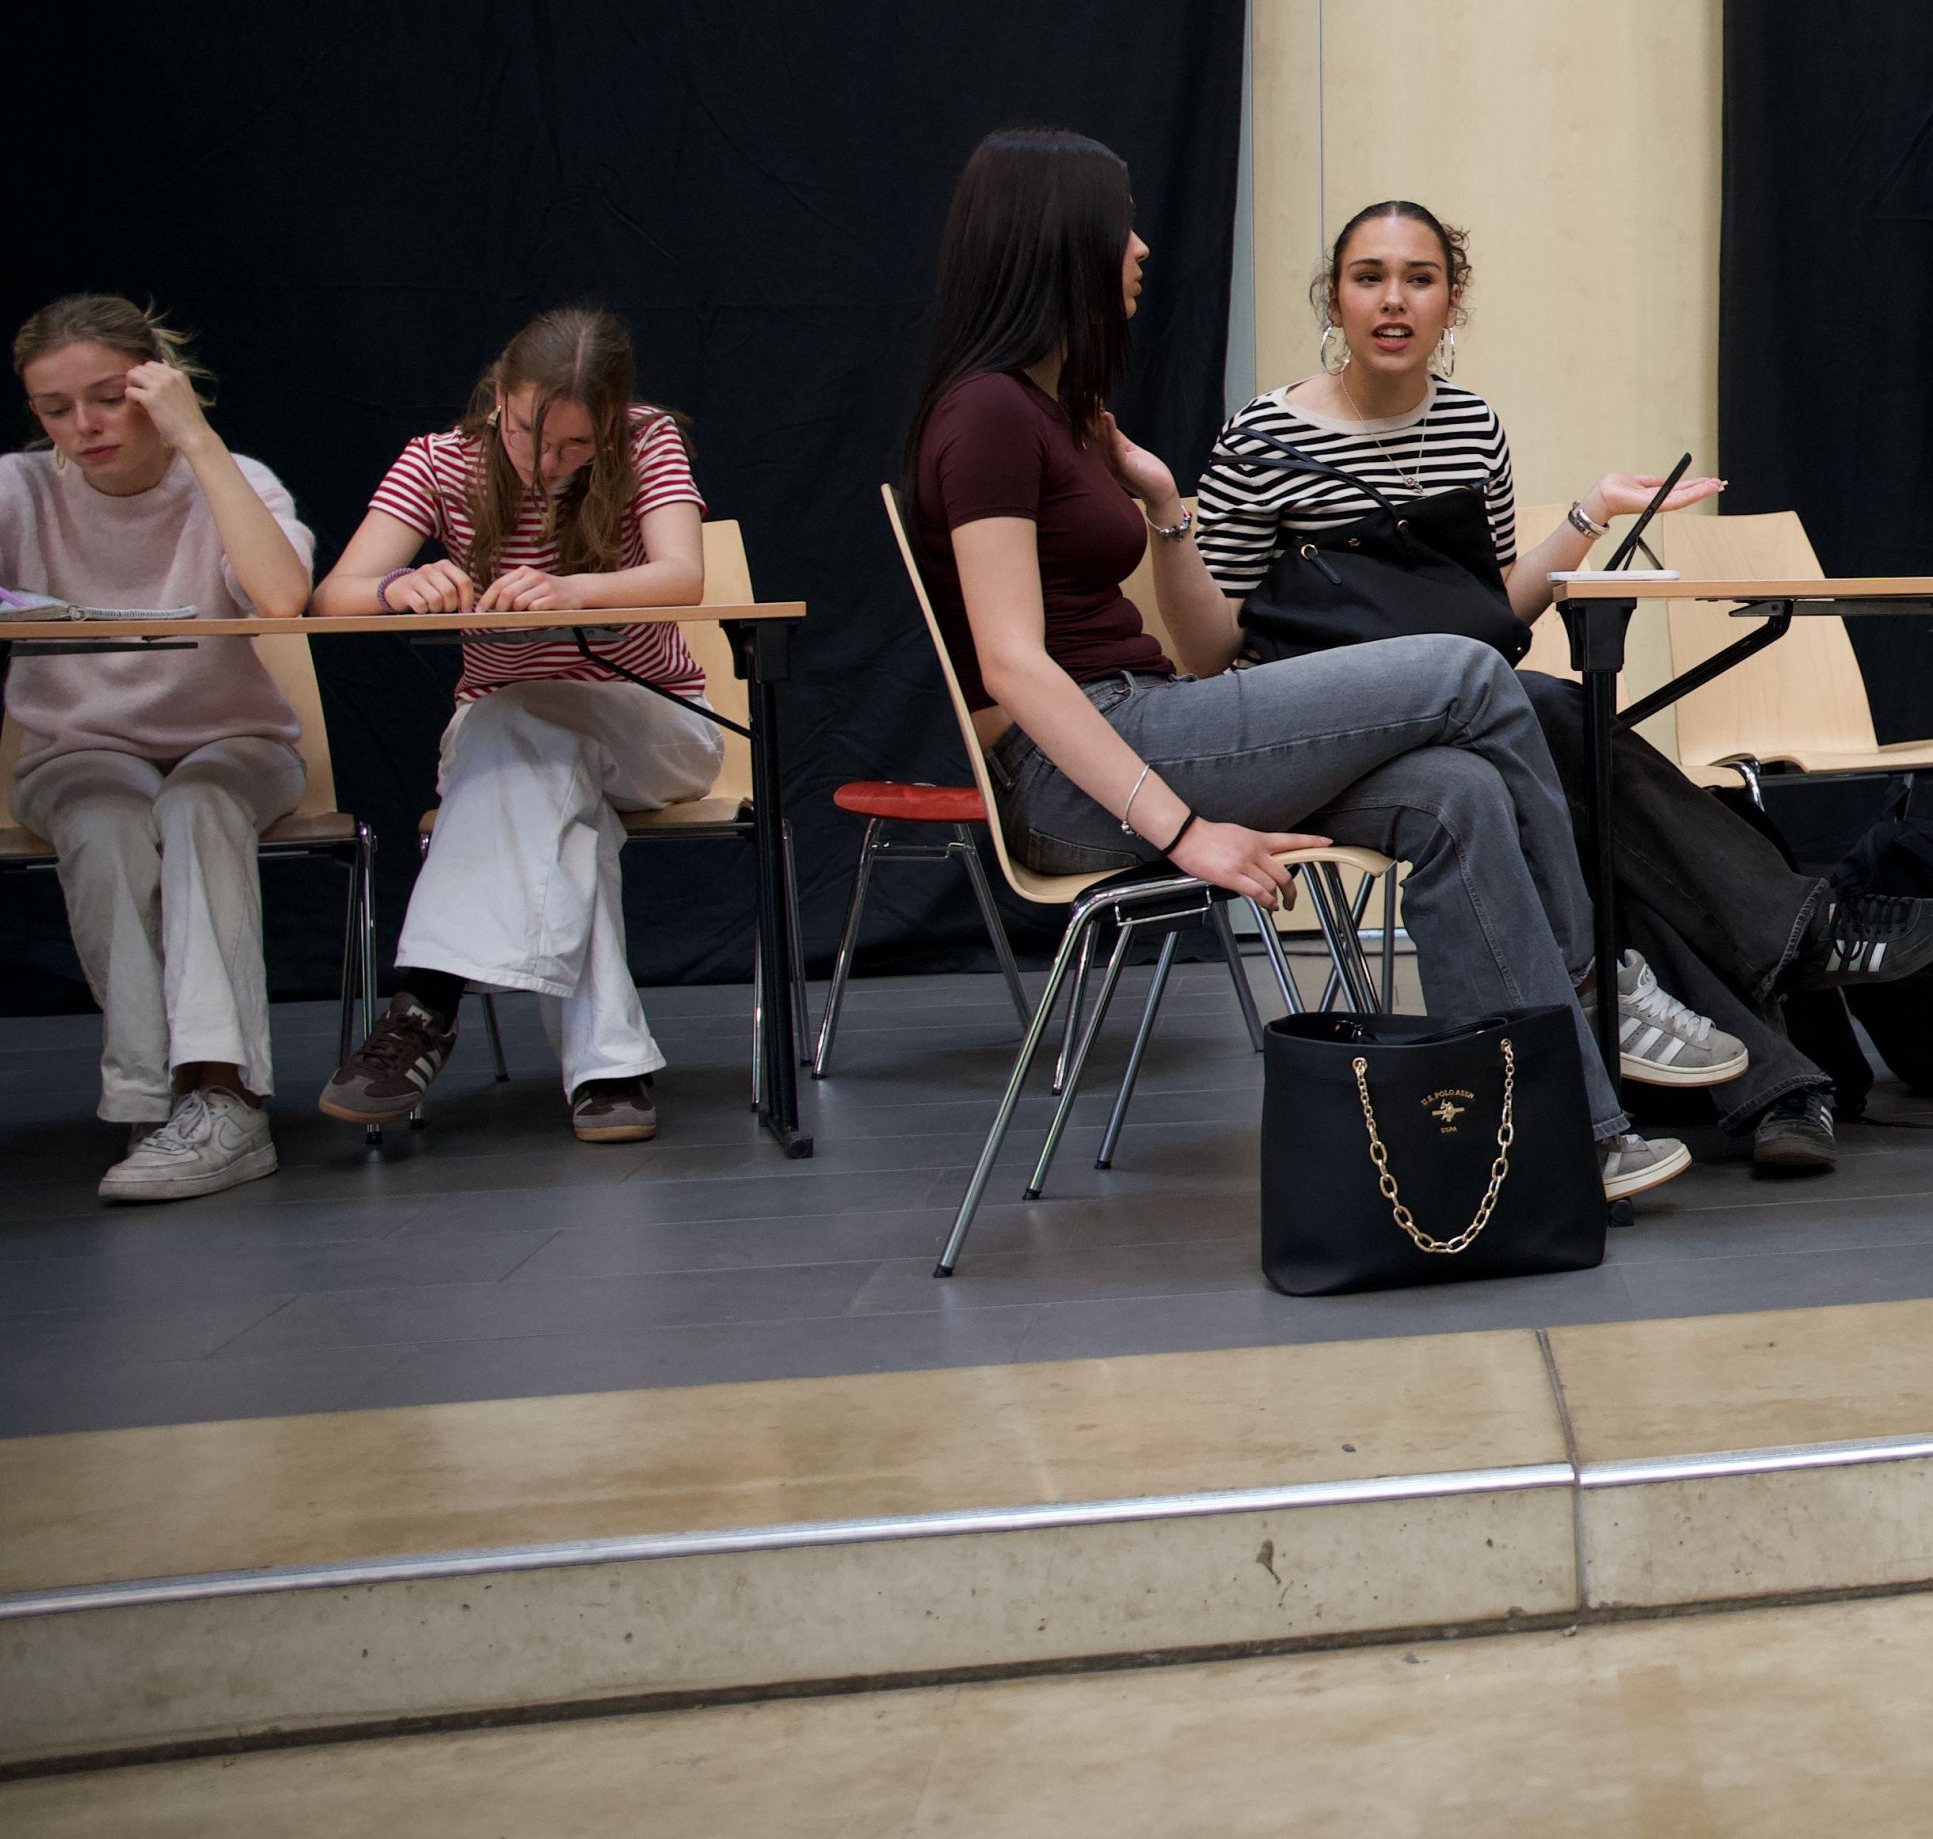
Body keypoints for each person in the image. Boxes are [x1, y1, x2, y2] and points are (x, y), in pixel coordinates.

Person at [908, 125, 1687, 1202]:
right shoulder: (987, 412)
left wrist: (1162, 499)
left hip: (1141, 723)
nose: (1139, 246)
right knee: (1468, 674)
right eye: (1119, 224)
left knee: (1455, 794)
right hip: (1077, 767)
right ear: (1057, 242)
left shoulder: (1049, 411)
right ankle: (1594, 981)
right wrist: (1184, 833)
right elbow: (1013, 665)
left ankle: (1559, 1137)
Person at [1195, 199, 1933, 1175]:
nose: (1392, 299)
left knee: (1588, 820)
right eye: (1368, 277)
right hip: (1320, 738)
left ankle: (1779, 1082)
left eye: (1418, 278)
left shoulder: (1469, 428)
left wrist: (1589, 514)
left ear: (1450, 302)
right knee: (1552, 713)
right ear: (1333, 298)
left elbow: (1487, 609)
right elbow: (1210, 645)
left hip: (1454, 724)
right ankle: (1803, 949)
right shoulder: (1262, 437)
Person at [312, 306, 720, 1144]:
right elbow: (332, 597)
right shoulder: (437, 461)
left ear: (610, 424)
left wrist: (572, 589)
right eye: (531, 433)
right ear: (500, 395)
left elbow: (682, 576)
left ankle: (425, 1001)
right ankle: (610, 1071)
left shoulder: (646, 440)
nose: (546, 463)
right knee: (566, 809)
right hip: (509, 743)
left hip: (655, 724)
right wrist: (395, 587)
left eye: (577, 446)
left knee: (522, 717)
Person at [2, 295, 314, 1202]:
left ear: (156, 384)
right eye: (56, 408)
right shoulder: (20, 490)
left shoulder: (232, 477)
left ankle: (225, 1099)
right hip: (77, 747)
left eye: (109, 398)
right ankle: (150, 1097)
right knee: (105, 817)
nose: (85, 426)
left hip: (233, 742)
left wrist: (197, 440)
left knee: (198, 803)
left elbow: (279, 599)